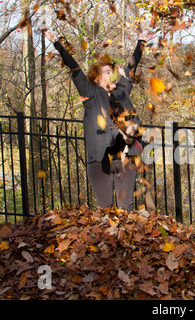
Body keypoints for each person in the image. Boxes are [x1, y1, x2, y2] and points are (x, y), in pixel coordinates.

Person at [45, 29, 154, 211]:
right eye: (107, 72)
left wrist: (141, 43)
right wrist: (57, 43)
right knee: (104, 208)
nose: (112, 75)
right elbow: (74, 68)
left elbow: (130, 69)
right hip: (98, 159)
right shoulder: (90, 92)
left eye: (113, 72)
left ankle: (127, 239)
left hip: (125, 159)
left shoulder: (121, 90)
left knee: (126, 207)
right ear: (96, 78)